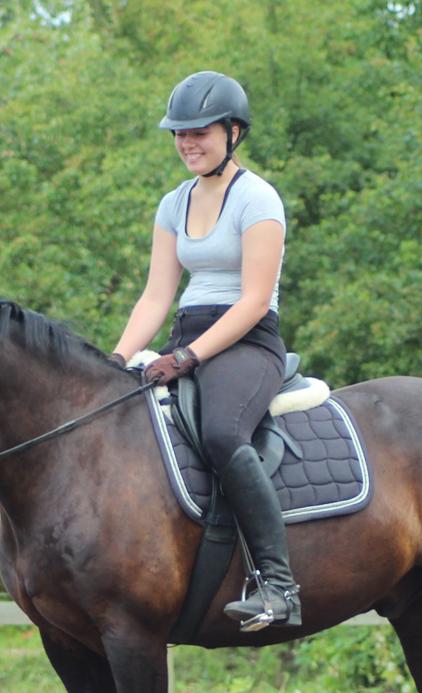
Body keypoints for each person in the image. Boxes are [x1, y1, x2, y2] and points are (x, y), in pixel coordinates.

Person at [110, 71, 301, 631]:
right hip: (186, 332)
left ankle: (278, 585)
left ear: (233, 132)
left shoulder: (259, 198)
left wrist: (188, 358)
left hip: (246, 340)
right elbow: (155, 295)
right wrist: (119, 361)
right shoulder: (174, 203)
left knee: (221, 431)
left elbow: (254, 300)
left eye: (200, 131)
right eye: (179, 133)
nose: (188, 142)